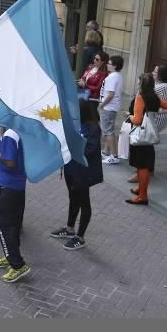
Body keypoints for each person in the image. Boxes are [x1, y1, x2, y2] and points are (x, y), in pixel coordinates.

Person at [49, 99, 104, 250]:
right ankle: (69, 228)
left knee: (84, 201)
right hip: (70, 169)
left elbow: (90, 150)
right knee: (73, 198)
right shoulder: (74, 125)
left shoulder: (93, 129)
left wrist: (74, 148)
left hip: (83, 172)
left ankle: (80, 237)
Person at [0, 126, 31, 283]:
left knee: (5, 226)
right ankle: (10, 254)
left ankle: (17, 265)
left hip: (6, 186)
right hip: (17, 185)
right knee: (14, 224)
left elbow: (9, 161)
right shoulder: (16, 132)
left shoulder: (10, 135)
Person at [126, 73, 167, 205]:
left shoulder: (140, 97)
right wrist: (155, 113)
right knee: (144, 165)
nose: (137, 83)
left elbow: (136, 120)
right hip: (149, 136)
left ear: (141, 84)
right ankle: (140, 190)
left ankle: (143, 196)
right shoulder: (155, 97)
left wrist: (128, 116)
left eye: (138, 81)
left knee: (142, 167)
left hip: (140, 136)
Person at [99, 55, 124, 164]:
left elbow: (110, 94)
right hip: (112, 107)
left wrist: (101, 105)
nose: (107, 65)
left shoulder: (112, 77)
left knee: (108, 131)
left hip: (108, 107)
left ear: (115, 65)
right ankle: (105, 151)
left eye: (109, 63)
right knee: (108, 129)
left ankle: (114, 156)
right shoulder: (118, 76)